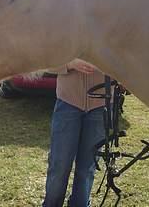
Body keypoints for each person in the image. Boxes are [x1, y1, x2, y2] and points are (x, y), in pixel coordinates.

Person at [43, 59, 109, 207]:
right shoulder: (65, 35)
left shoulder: (111, 35)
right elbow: (46, 62)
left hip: (100, 106)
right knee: (59, 165)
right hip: (67, 104)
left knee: (87, 167)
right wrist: (69, 64)